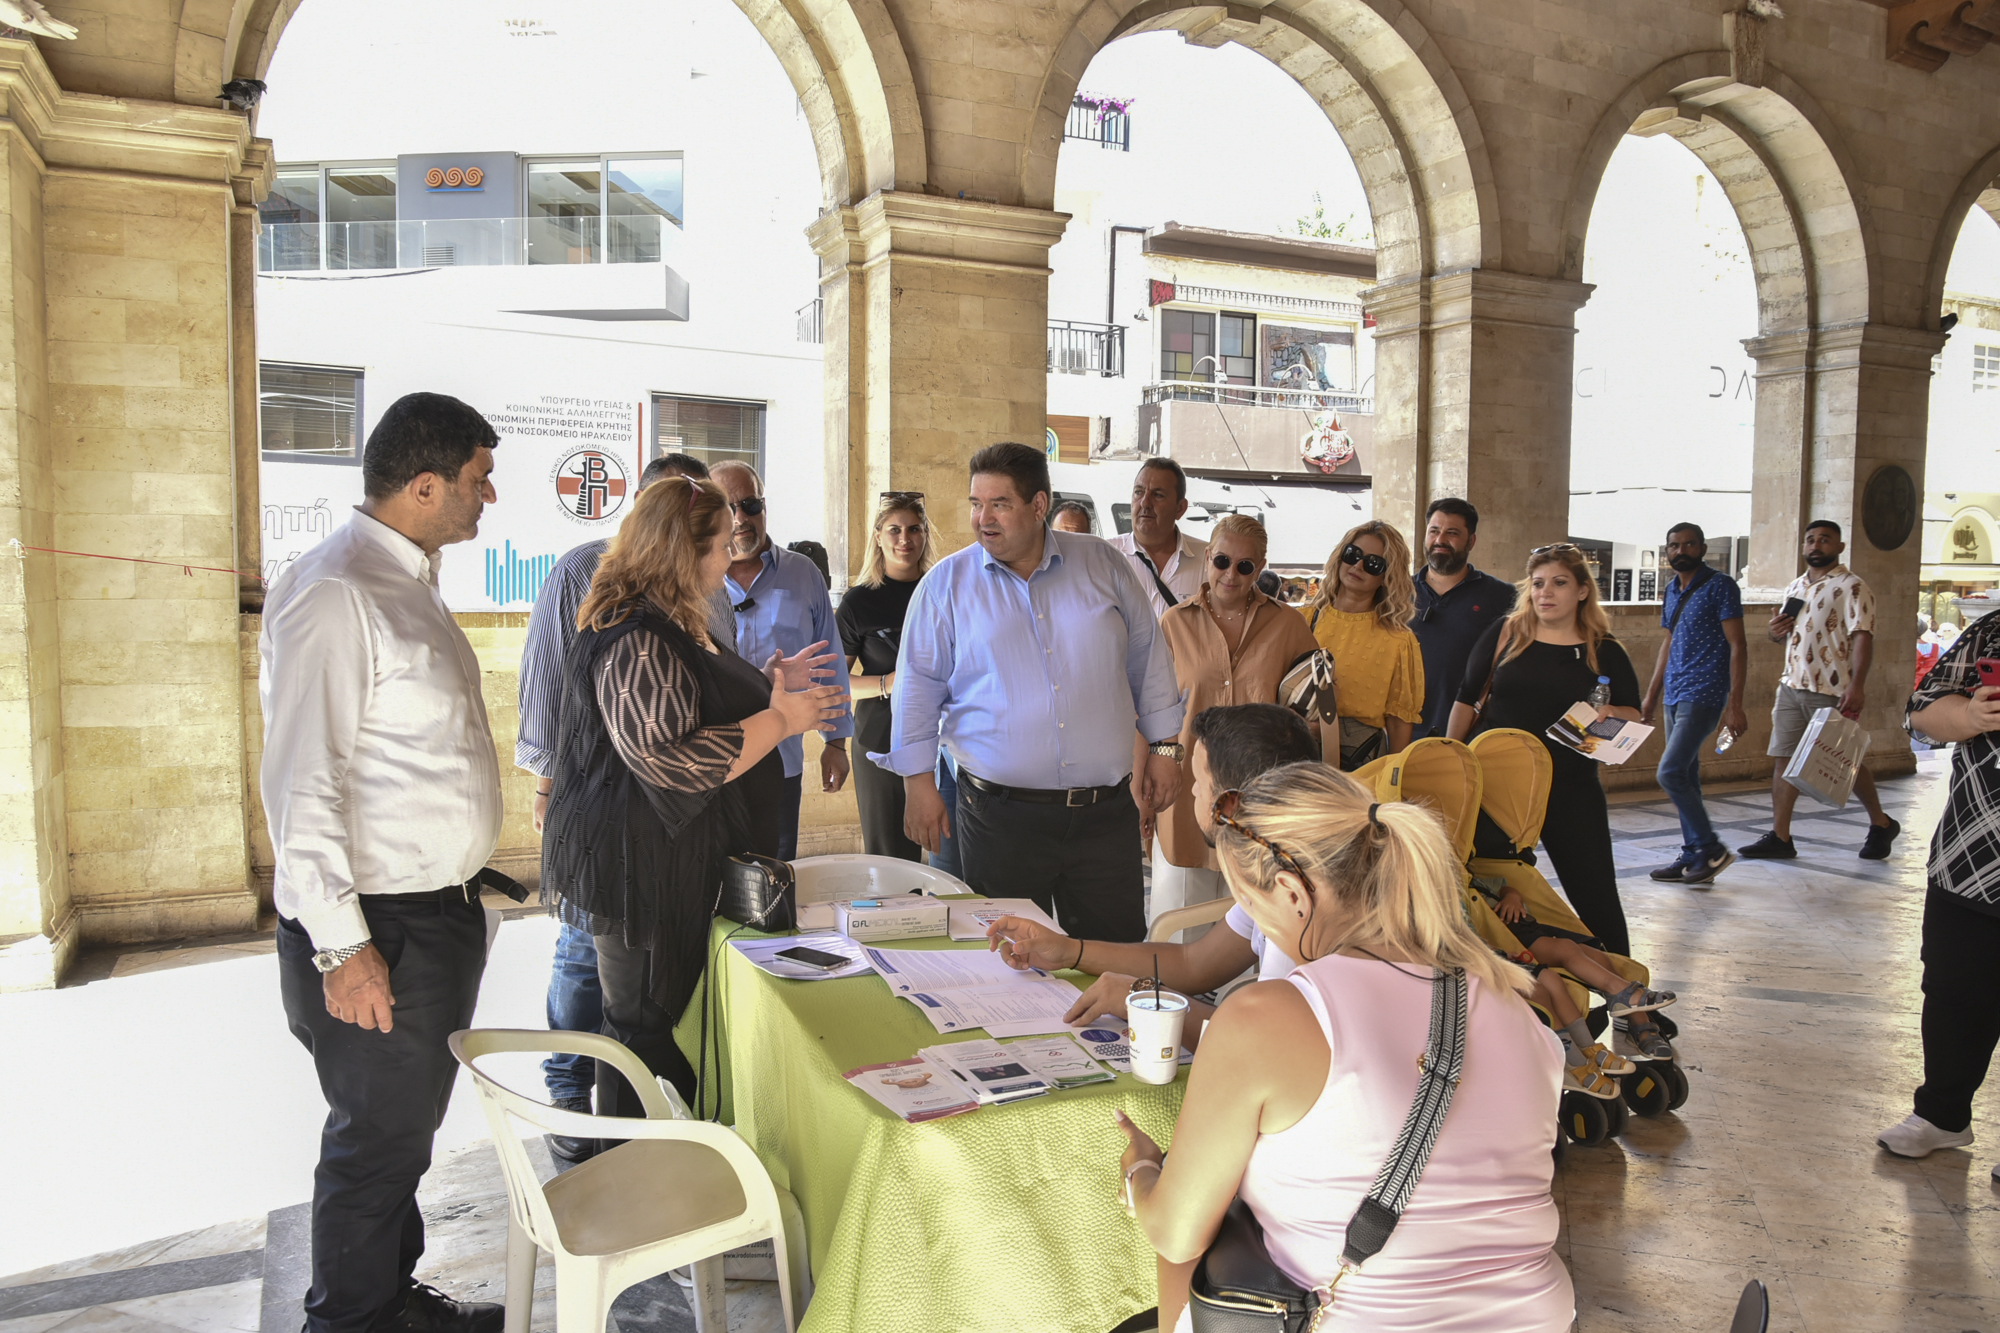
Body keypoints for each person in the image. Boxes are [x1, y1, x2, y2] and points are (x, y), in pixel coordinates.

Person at [1114, 762, 1572, 1333]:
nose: (1264, 933)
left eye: (1252, 910)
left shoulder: (1266, 1017)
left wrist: (1143, 1171)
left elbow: (1176, 1232)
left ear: (1290, 892)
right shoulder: (1516, 1007)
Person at [263, 392, 507, 1333]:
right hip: (380, 929)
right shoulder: (338, 590)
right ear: (424, 483)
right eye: (478, 482)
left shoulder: (403, 576)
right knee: (373, 1146)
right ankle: (350, 1321)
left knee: (402, 1138)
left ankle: (389, 1299)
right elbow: (301, 782)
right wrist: (342, 947)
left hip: (427, 919)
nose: (488, 499)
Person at [542, 478, 846, 1120]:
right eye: (718, 546)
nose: (728, 559)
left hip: (673, 856)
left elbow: (687, 706)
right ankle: (639, 1175)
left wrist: (764, 688)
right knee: (644, 1029)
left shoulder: (668, 617)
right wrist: (785, 721)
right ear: (685, 552)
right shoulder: (634, 634)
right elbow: (673, 762)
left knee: (668, 1021)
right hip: (643, 865)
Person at [873, 441, 1183, 941]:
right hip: (999, 820)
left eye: (999, 504)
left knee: (1115, 957)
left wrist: (1167, 747)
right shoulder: (946, 585)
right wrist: (917, 783)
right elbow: (918, 688)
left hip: (1103, 818)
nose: (982, 519)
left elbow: (1148, 658)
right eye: (976, 504)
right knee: (1008, 965)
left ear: (1039, 506)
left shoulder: (1103, 564)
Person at [515, 452, 727, 1164]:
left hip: (645, 836)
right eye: (722, 543)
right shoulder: (616, 602)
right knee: (613, 993)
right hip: (620, 835)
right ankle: (589, 1116)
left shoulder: (672, 595)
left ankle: (623, 1147)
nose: (733, 556)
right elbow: (662, 751)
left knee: (627, 1006)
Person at [985, 703, 1321, 1035]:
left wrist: (1143, 1000)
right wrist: (1068, 950)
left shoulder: (1295, 900)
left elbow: (1265, 1045)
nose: (1192, 790)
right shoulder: (1282, 864)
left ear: (1229, 804)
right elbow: (1195, 963)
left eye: (1200, 781)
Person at [1449, 543, 1642, 957]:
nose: (1545, 593)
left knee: (1596, 896)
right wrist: (1453, 760)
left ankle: (1631, 998)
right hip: (1496, 789)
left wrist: (1608, 713)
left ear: (1582, 591)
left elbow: (1635, 714)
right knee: (1485, 890)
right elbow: (1466, 700)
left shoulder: (1603, 649)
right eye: (1537, 584)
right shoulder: (1506, 634)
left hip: (1570, 787)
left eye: (1558, 583)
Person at [1151, 516, 1317, 927]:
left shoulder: (1289, 625)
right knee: (1179, 928)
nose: (1231, 574)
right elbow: (1151, 710)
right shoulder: (1174, 623)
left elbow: (1311, 713)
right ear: (1207, 558)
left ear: (1260, 568)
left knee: (1251, 938)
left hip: (1260, 805)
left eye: (1245, 566)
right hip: (1187, 795)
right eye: (1223, 560)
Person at [1889, 619, 2000, 1176]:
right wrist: (1970, 716)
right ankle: (1943, 1115)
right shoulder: (1992, 630)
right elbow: (1920, 713)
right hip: (1974, 853)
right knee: (1955, 985)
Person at [713, 460, 854, 859]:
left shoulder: (802, 574)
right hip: (714, 764)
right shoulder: (696, 578)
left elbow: (830, 661)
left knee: (772, 880)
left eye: (750, 504)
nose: (741, 519)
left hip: (782, 761)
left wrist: (836, 742)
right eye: (728, 507)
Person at [1739, 519, 1900, 860]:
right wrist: (1775, 630)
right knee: (1783, 758)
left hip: (1831, 688)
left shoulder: (1852, 586)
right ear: (1803, 547)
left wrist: (1857, 684)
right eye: (1810, 540)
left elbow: (1862, 636)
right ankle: (1780, 837)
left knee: (1844, 760)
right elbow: (1784, 636)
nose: (1816, 545)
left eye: (1825, 540)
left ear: (1839, 547)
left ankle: (1881, 823)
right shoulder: (1796, 586)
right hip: (1791, 685)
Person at [1638, 523, 1749, 887]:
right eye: (1673, 545)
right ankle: (1693, 857)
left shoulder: (1721, 586)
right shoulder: (1672, 589)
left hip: (1705, 692)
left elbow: (1738, 645)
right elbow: (1667, 644)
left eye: (1688, 544)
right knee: (1685, 775)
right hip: (1674, 692)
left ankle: (1711, 848)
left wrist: (1736, 703)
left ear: (1702, 548)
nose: (1679, 550)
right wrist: (1652, 695)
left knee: (1668, 772)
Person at [837, 491, 940, 860]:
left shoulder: (942, 592)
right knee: (890, 858)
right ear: (878, 535)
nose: (905, 539)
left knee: (950, 854)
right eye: (894, 529)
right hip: (879, 741)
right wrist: (888, 683)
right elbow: (835, 682)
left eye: (914, 529)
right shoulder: (858, 603)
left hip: (945, 740)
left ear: (925, 534)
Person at [1305, 520, 1425, 765]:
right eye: (1353, 554)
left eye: (1373, 564)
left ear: (1386, 576)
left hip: (1358, 756)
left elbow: (1399, 721)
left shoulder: (1398, 640)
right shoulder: (1303, 620)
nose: (1358, 565)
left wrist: (1392, 779)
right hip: (1298, 746)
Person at [1410, 498, 1515, 740]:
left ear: (1472, 541)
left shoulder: (1503, 597)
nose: (1440, 540)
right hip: (1400, 735)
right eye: (1434, 531)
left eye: (1452, 533)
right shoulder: (1395, 593)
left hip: (1469, 736)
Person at [1108, 457, 1207, 617]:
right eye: (1138, 492)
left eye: (1158, 495)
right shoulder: (1106, 555)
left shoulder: (1210, 561)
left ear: (1180, 508)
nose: (1145, 503)